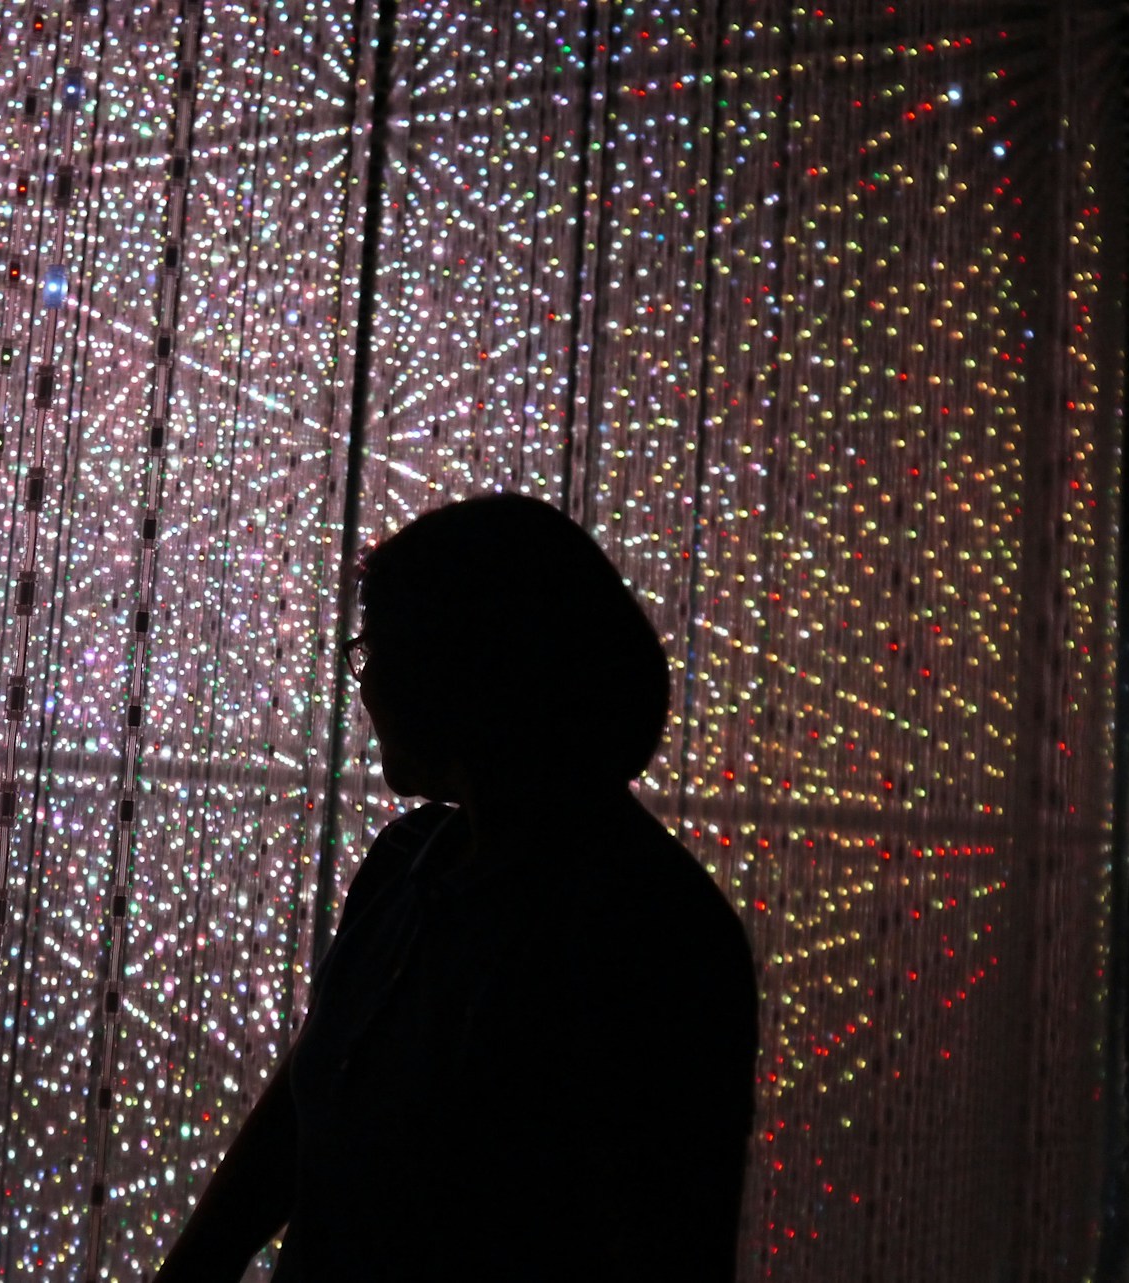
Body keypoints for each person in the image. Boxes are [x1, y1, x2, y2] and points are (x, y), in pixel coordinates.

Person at [153, 493, 759, 1281]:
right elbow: (309, 1107)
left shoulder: (647, 931)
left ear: (468, 667)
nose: (364, 684)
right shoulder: (412, 861)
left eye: (380, 648)